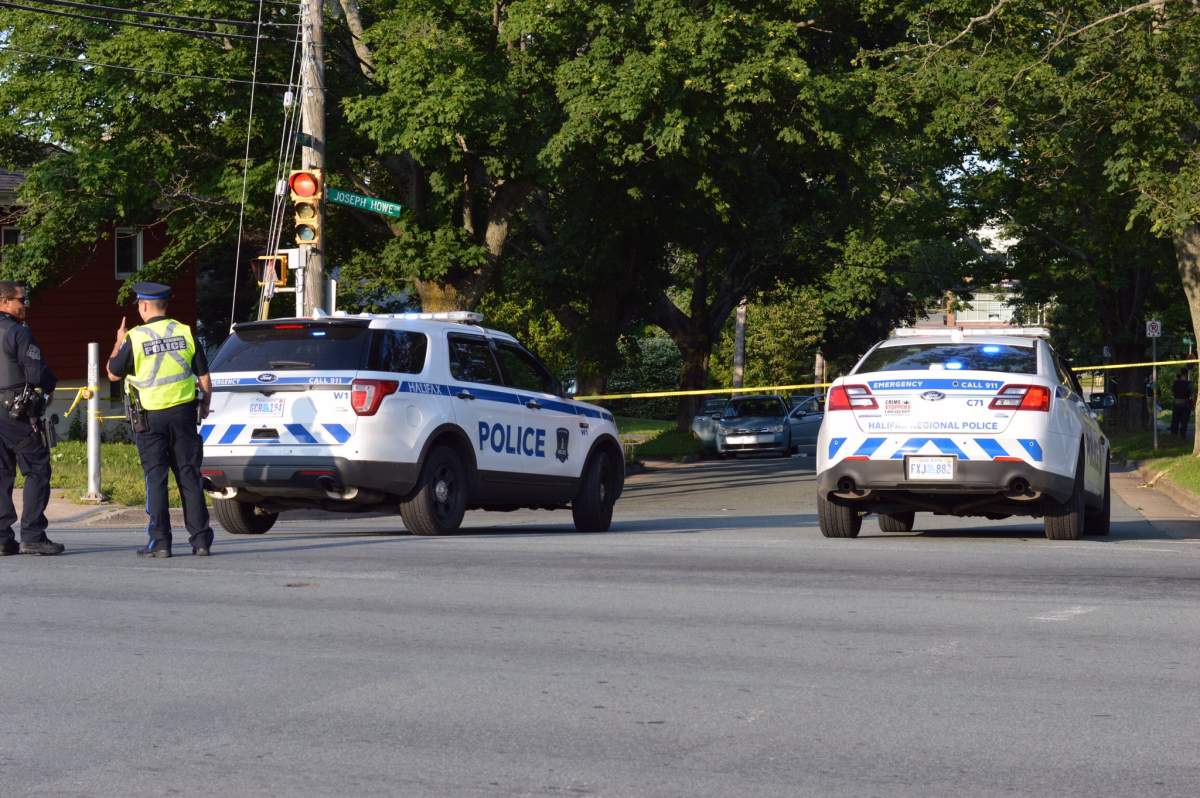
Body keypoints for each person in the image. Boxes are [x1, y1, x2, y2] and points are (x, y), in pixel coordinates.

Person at [107, 282, 214, 558]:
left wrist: (119, 340)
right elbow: (204, 378)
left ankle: (161, 542)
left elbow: (113, 374)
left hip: (150, 418)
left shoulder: (136, 337)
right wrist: (205, 406)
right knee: (189, 475)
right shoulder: (185, 332)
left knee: (156, 478)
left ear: (143, 306)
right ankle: (201, 541)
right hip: (184, 414)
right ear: (165, 305)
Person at [0, 281, 63, 556]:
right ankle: (33, 534)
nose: (25, 305)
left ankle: (2, 538)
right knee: (37, 468)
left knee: (1, 474)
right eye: (21, 300)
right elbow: (37, 374)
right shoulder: (17, 332)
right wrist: (50, 386)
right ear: (4, 302)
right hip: (16, 411)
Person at [1170, 368, 1194, 438]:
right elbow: (1192, 395)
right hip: (1185, 404)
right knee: (1184, 421)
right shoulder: (1189, 384)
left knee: (1175, 420)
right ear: (1186, 374)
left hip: (1176, 403)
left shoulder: (1175, 383)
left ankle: (1174, 435)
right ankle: (1182, 436)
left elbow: (1172, 392)